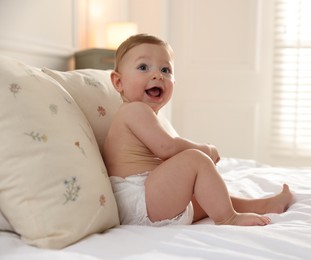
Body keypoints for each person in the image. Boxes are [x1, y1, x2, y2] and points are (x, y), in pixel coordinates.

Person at [103, 33, 293, 227]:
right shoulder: (135, 110)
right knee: (195, 160)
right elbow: (167, 147)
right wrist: (206, 150)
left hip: (146, 201)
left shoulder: (145, 115)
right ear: (119, 82)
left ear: (173, 82)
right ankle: (228, 218)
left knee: (205, 194)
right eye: (143, 67)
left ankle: (262, 205)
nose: (157, 75)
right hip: (137, 198)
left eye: (166, 70)